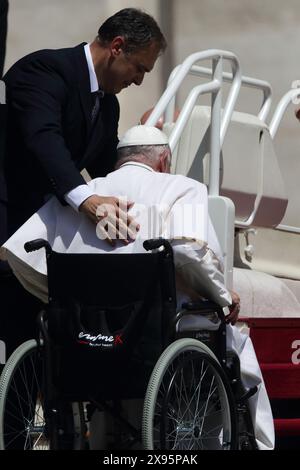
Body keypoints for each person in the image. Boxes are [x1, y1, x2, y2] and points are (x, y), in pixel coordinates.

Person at [2, 125, 274, 450]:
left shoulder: (84, 195)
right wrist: (222, 295)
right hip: (154, 329)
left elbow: (18, 254)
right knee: (238, 347)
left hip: (84, 332)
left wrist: (57, 301)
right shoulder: (181, 188)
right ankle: (261, 443)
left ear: (120, 160)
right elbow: (189, 251)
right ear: (163, 159)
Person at [0, 8, 166, 374]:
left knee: (40, 349)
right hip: (10, 223)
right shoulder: (44, 71)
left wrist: (146, 141)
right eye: (140, 68)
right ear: (117, 47)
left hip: (46, 244)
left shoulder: (107, 104)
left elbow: (110, 169)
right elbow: (44, 141)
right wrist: (86, 200)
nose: (139, 80)